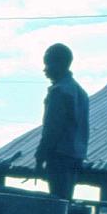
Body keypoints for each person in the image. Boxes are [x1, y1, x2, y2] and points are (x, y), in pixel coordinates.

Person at [35, 43, 89, 200]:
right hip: (75, 155)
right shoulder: (80, 92)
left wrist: (40, 157)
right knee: (66, 199)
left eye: (48, 64)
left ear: (60, 64)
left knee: (58, 201)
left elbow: (52, 129)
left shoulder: (59, 91)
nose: (45, 70)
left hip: (59, 155)